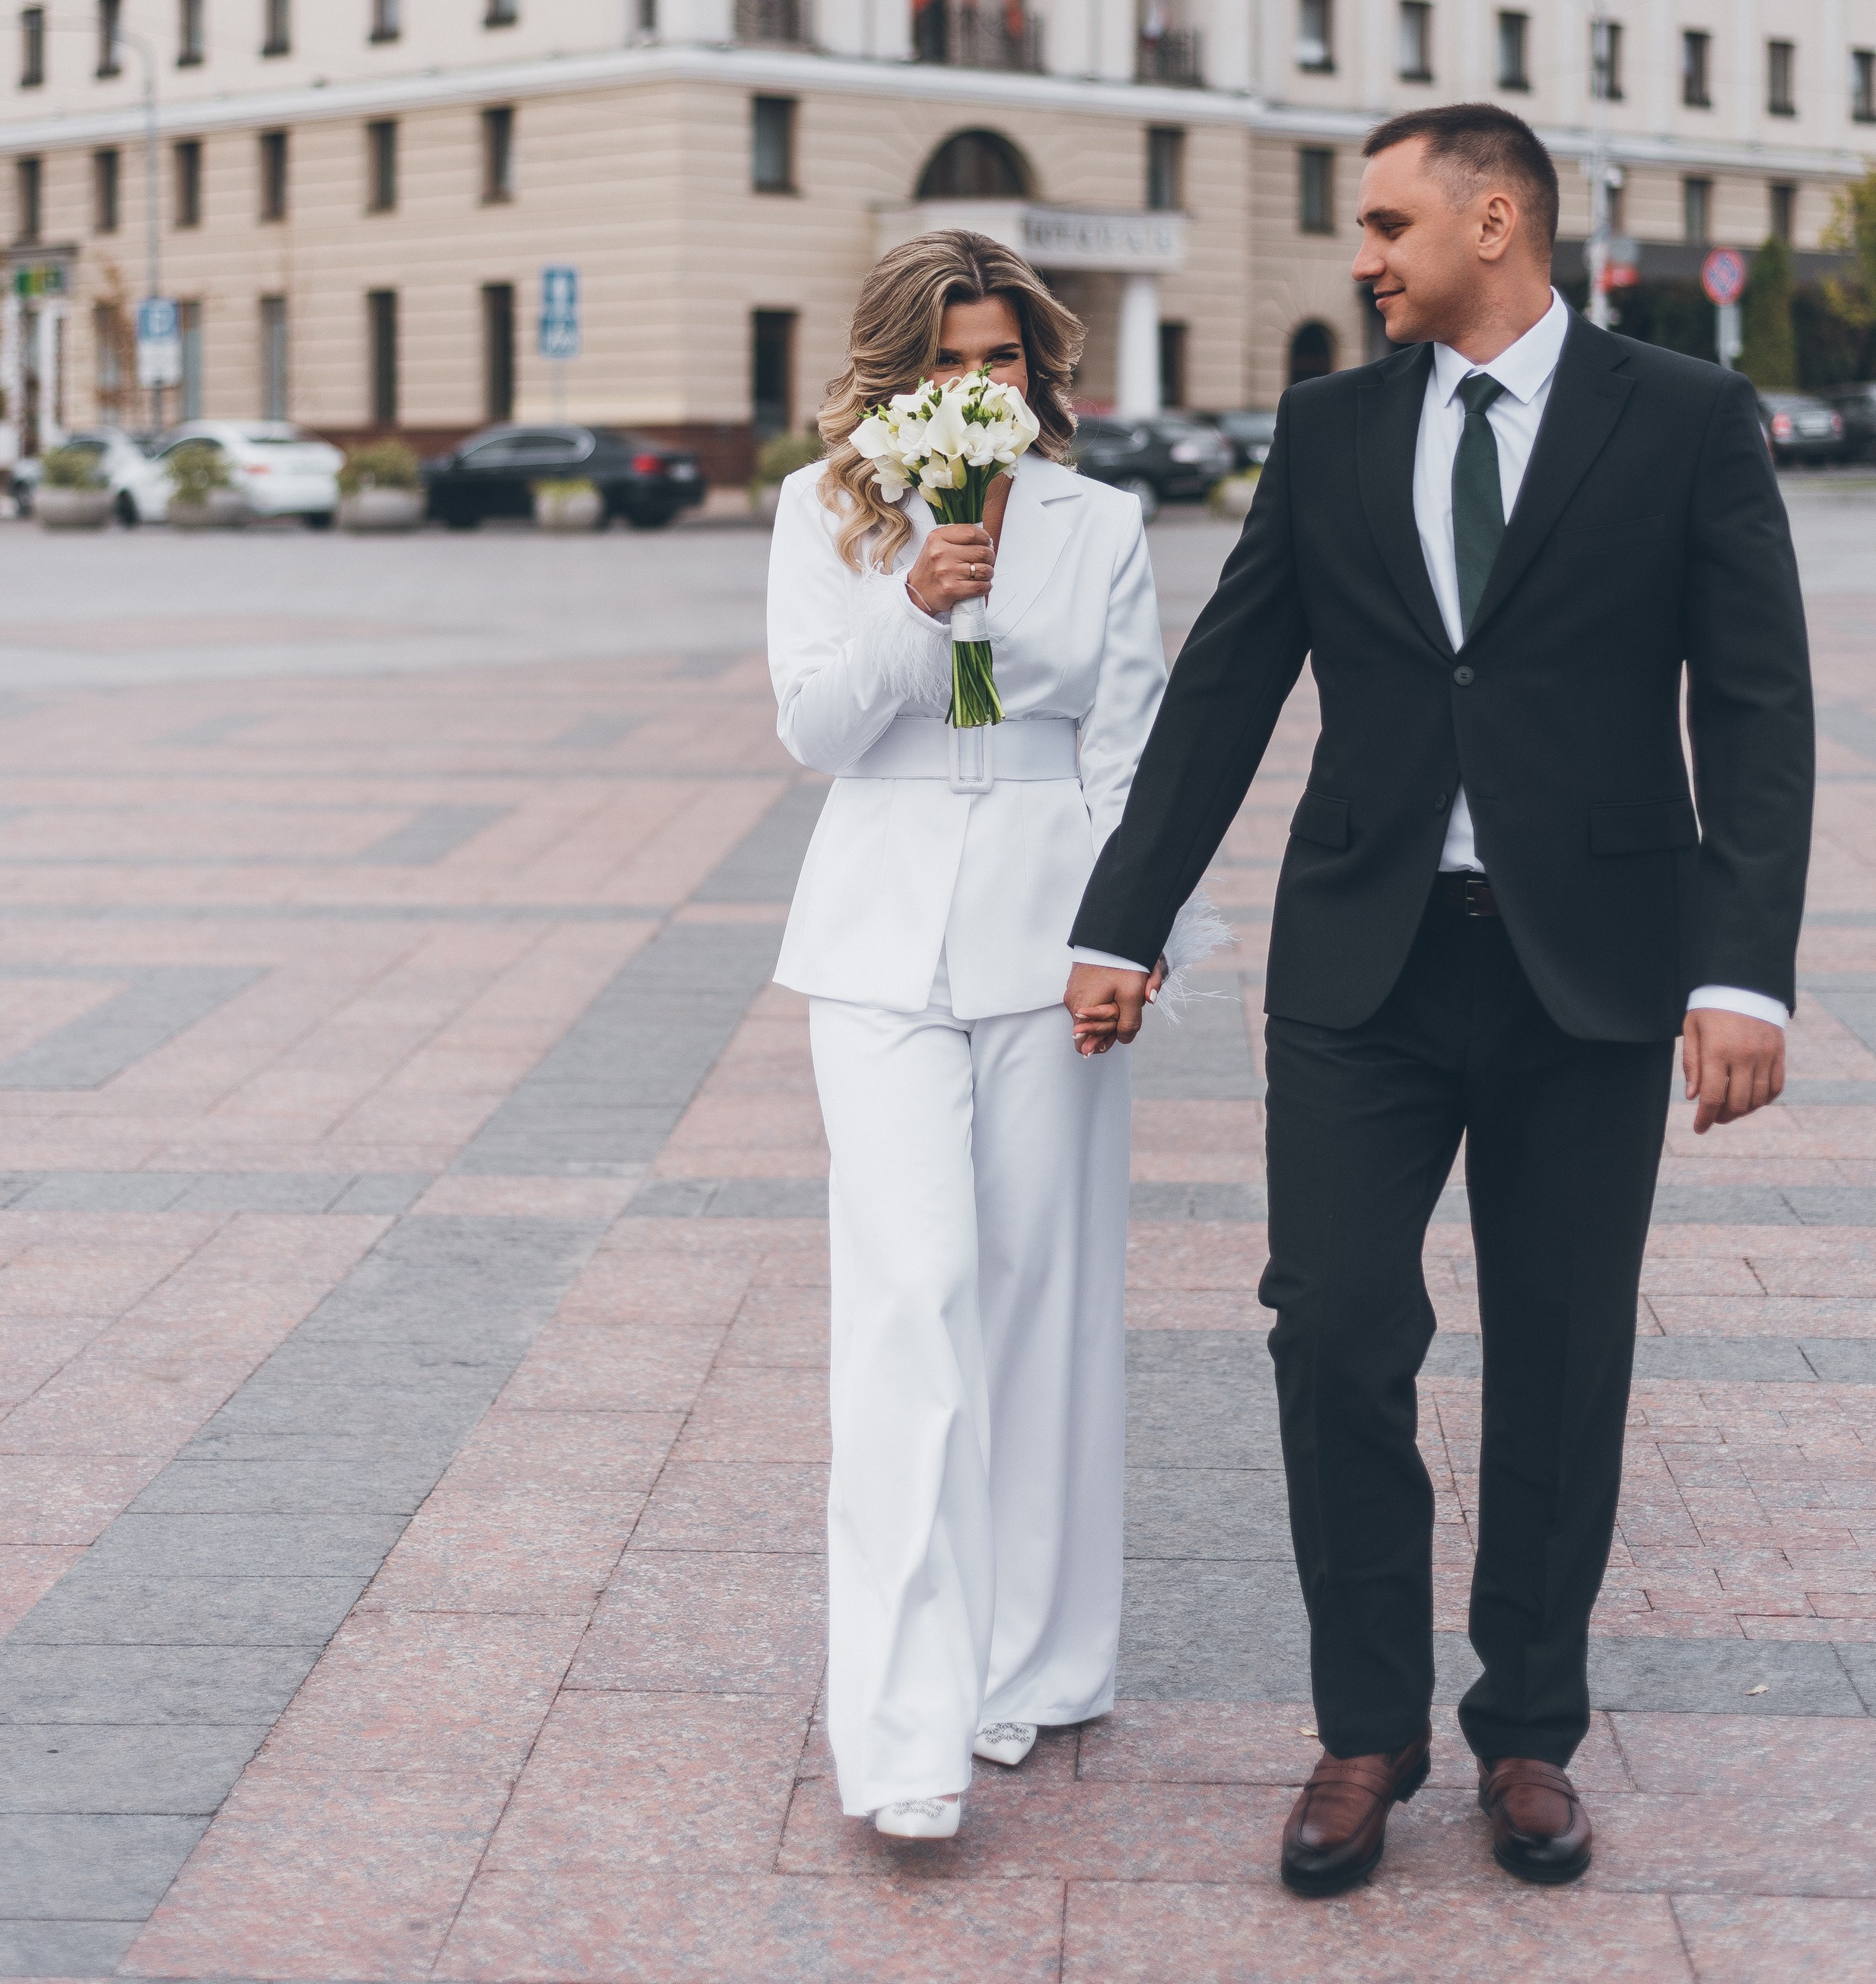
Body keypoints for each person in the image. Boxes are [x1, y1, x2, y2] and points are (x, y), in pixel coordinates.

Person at [1066, 104, 1813, 1896]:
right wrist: (1121, 919)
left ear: (1497, 219)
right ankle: (1363, 1726)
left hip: (1594, 972)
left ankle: (1528, 1730)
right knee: (1329, 1329)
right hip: (1361, 962)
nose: (1364, 253)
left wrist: (1740, 969)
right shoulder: (1326, 430)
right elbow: (1231, 680)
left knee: (1559, 1349)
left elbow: (1758, 706)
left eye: (1391, 221)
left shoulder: (1684, 419)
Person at [768, 228, 1208, 1841]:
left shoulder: (1100, 520)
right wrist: (909, 598)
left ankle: (1029, 1662)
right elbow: (811, 724)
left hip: (1052, 938)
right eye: (949, 362)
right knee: (909, 1298)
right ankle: (900, 1731)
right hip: (876, 938)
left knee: (1039, 1298)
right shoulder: (821, 514)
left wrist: (1124, 936)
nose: (979, 387)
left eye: (1001, 359)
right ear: (899, 373)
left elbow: (1127, 742)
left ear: (1038, 370)